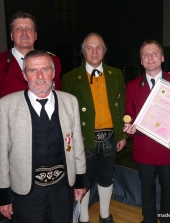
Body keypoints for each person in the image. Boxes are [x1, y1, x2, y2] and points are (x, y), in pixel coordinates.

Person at [0, 49, 86, 223]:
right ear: (24, 75)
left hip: (62, 190)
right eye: (33, 70)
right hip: (27, 192)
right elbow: (0, 154)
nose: (40, 76)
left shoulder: (70, 101)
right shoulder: (7, 105)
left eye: (45, 69)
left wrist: (80, 181)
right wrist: (2, 195)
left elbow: (77, 145)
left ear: (54, 72)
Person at [123, 39, 170, 223]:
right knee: (146, 189)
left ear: (162, 57)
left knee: (167, 189)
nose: (150, 58)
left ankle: (165, 219)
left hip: (168, 149)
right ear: (141, 61)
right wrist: (128, 127)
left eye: (154, 53)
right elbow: (129, 114)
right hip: (144, 148)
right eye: (145, 55)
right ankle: (149, 219)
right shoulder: (132, 85)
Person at [62, 32, 127, 223]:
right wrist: (69, 143)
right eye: (89, 47)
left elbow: (121, 105)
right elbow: (66, 115)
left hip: (110, 138)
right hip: (84, 140)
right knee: (83, 180)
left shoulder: (115, 74)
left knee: (107, 178)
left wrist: (121, 133)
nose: (94, 51)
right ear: (83, 51)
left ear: (104, 51)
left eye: (98, 47)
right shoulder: (71, 78)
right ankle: (83, 218)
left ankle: (105, 215)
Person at [0, 10, 62, 123]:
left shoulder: (53, 61)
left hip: (49, 126)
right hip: (13, 130)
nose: (24, 33)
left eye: (29, 29)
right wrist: (4, 127)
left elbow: (57, 93)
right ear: (11, 36)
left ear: (36, 35)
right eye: (18, 29)